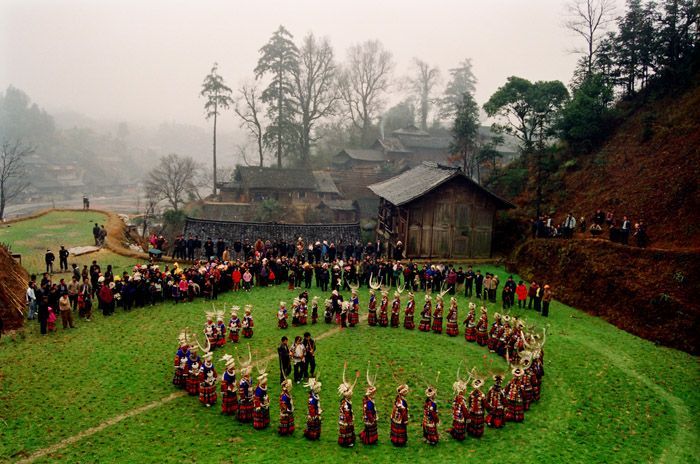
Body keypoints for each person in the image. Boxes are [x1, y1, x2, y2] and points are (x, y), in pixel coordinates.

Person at [337, 363, 359, 448]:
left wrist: (356, 378)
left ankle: (347, 441)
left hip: (347, 419)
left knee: (348, 431)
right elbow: (346, 414)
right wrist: (349, 421)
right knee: (347, 431)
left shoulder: (346, 401)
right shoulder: (345, 404)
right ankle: (346, 442)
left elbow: (352, 386)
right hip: (346, 421)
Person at [360, 364, 379, 445]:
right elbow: (369, 411)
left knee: (369, 430)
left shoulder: (368, 400)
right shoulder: (369, 403)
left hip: (369, 418)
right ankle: (368, 440)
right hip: (370, 419)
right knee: (369, 430)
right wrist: (372, 419)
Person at [447, 371, 468, 441]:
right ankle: (459, 436)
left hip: (455, 416)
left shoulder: (456, 398)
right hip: (460, 417)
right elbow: (464, 410)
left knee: (456, 424)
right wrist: (468, 417)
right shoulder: (462, 400)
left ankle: (455, 433)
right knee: (460, 425)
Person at [253, 365, 271, 430]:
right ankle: (260, 425)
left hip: (264, 401)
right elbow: (256, 398)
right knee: (261, 413)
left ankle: (265, 423)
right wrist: (258, 406)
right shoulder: (259, 390)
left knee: (265, 412)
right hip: (260, 404)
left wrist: (267, 399)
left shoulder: (264, 387)